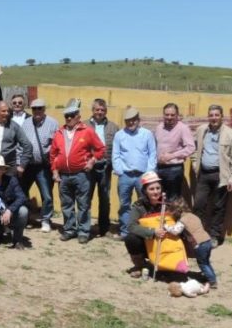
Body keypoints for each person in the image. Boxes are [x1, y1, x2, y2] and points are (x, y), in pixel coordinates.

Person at [50, 99, 105, 244]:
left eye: (72, 115)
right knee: (66, 205)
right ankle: (69, 230)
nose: (69, 118)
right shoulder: (59, 133)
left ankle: (83, 231)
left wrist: (92, 161)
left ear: (78, 116)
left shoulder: (87, 131)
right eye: (66, 116)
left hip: (82, 174)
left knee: (83, 204)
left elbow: (100, 149)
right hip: (63, 175)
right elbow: (53, 154)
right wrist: (55, 171)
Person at [191, 104, 232, 246]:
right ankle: (198, 234)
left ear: (221, 117)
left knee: (219, 207)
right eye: (211, 115)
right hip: (204, 174)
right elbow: (195, 150)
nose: (213, 118)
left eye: (216, 115)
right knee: (199, 205)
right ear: (208, 116)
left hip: (221, 175)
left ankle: (214, 236)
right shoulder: (201, 130)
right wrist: (195, 164)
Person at [112, 107, 157, 239]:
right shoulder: (119, 135)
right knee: (124, 204)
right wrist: (120, 171)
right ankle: (125, 231)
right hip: (125, 175)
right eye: (128, 121)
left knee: (144, 204)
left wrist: (148, 173)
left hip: (142, 175)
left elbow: (152, 154)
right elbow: (116, 155)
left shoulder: (147, 134)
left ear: (138, 120)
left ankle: (143, 232)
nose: (131, 123)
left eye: (133, 120)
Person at [20, 98, 58, 232]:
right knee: (22, 192)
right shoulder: (26, 123)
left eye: (40, 108)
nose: (37, 111)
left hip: (43, 165)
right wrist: (21, 163)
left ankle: (46, 220)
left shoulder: (53, 123)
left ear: (44, 109)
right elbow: (21, 144)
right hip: (28, 165)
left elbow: (56, 145)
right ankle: (24, 218)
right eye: (34, 108)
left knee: (46, 194)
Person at [87, 98, 120, 238]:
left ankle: (104, 228)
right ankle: (84, 227)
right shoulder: (83, 126)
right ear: (93, 111)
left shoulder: (114, 127)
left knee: (105, 198)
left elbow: (118, 147)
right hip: (88, 166)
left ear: (105, 111)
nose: (99, 112)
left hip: (105, 166)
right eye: (97, 109)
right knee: (85, 198)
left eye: (102, 110)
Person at [154, 103, 195, 199]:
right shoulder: (159, 127)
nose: (169, 117)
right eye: (167, 114)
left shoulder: (183, 128)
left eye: (172, 115)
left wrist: (172, 156)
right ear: (163, 115)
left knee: (173, 200)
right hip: (159, 168)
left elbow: (191, 147)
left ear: (177, 115)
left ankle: (172, 215)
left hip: (174, 169)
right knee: (158, 199)